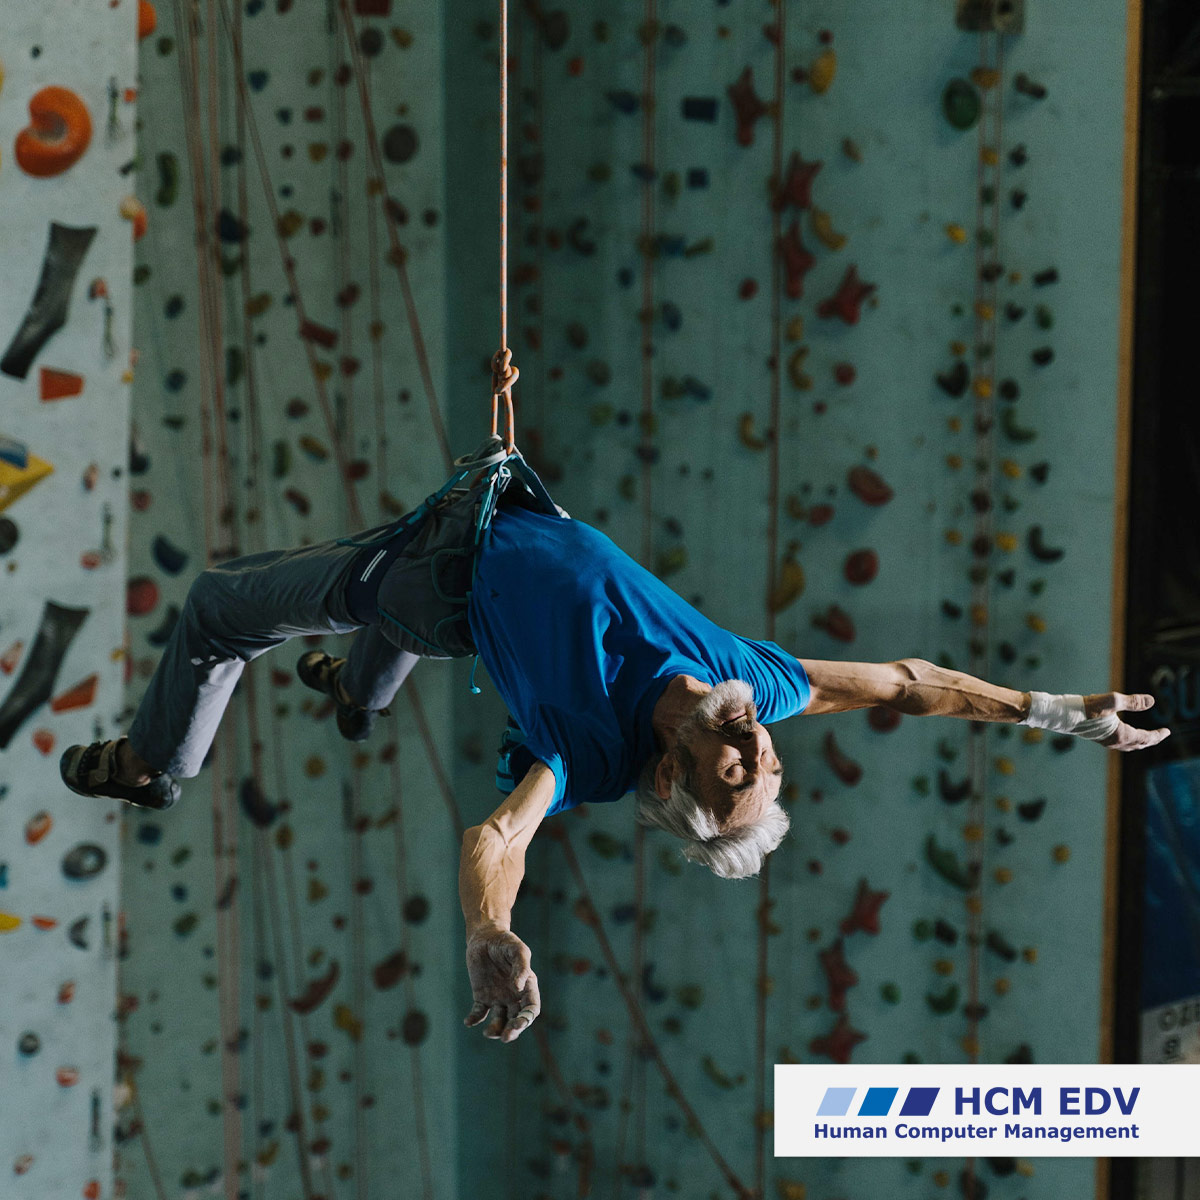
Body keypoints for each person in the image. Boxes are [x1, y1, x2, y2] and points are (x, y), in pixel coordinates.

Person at [60, 432, 1172, 1046]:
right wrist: (1056, 714)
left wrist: (489, 930)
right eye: (766, 764)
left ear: (677, 783)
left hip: (438, 584)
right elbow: (908, 684)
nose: (757, 754)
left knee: (219, 607)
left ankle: (160, 764)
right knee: (359, 677)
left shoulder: (589, 753)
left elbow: (501, 835)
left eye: (736, 778)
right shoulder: (758, 686)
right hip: (498, 505)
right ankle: (351, 694)